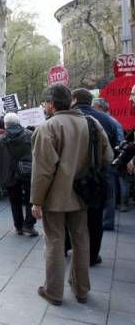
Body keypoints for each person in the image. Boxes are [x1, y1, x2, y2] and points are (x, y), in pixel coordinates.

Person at [31, 84, 112, 306]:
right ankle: (81, 289)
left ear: (51, 104)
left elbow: (43, 171)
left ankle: (54, 292)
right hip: (85, 193)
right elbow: (107, 156)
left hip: (55, 197)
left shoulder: (48, 127)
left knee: (55, 241)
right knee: (81, 239)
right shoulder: (92, 123)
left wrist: (36, 201)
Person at [71, 89, 118, 265]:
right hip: (98, 177)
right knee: (95, 219)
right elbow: (111, 152)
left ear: (74, 100)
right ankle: (92, 255)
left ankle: (69, 246)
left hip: (73, 177)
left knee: (72, 215)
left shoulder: (68, 120)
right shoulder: (107, 120)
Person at [0, 113, 38, 236]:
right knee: (30, 199)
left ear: (6, 124)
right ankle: (29, 225)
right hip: (28, 171)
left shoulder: (1, 138)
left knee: (15, 201)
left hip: (9, 173)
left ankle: (18, 226)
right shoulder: (30, 135)